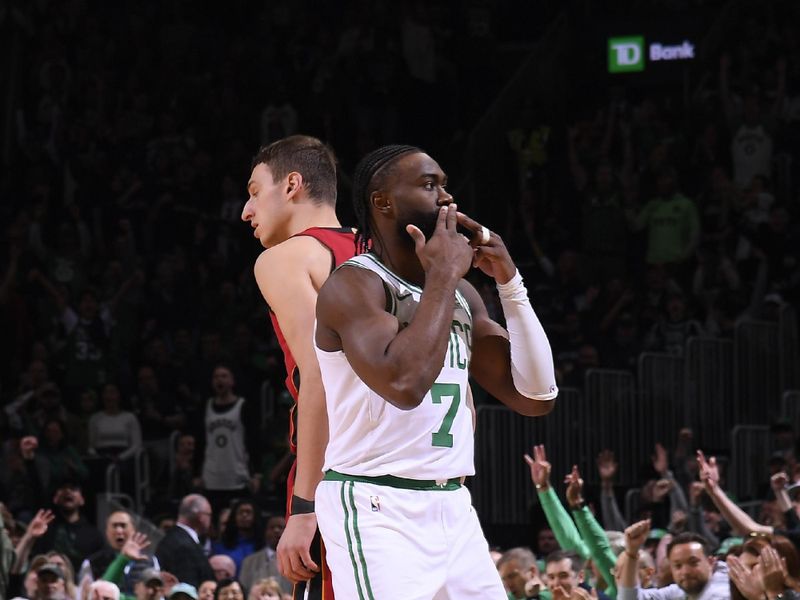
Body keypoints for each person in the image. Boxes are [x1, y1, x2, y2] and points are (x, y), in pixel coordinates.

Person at [313, 144, 558, 598]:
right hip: (375, 504)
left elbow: (536, 397)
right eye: (429, 185)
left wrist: (509, 282)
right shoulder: (354, 285)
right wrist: (443, 276)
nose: (447, 198)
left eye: (445, 185)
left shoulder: (461, 293)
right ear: (382, 201)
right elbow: (404, 384)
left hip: (453, 503)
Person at [240, 134, 357, 599]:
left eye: (253, 191)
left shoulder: (284, 258)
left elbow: (320, 376)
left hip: (336, 470)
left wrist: (306, 503)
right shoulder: (384, 256)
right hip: (413, 476)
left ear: (292, 185)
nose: (246, 211)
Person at [617, 520, 729, 600]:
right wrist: (631, 552)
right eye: (678, 566)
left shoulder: (722, 591)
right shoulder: (679, 591)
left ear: (711, 562)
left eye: (693, 563)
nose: (685, 572)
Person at [155, 494, 215, 587]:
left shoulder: (172, 538)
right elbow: (186, 588)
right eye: (209, 515)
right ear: (201, 516)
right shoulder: (184, 546)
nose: (210, 520)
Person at [239, 516, 290, 593]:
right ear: (265, 532)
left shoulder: (296, 559)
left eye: (280, 527)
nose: (276, 530)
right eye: (272, 527)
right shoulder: (249, 562)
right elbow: (243, 591)